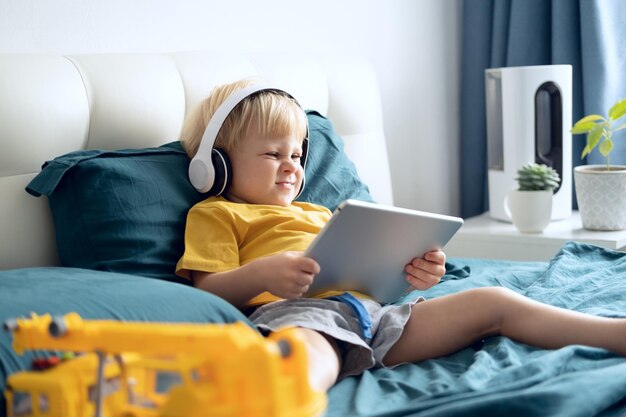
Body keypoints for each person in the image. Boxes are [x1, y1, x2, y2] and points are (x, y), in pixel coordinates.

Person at [176, 79, 626, 392]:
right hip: (301, 317)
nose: (292, 165)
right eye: (273, 153)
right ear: (216, 164)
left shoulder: (317, 211)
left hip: (373, 316)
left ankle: (611, 334)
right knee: (313, 350)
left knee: (492, 302)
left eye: (296, 153)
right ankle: (284, 398)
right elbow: (207, 289)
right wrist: (262, 274)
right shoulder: (217, 212)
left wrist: (414, 272)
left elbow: (370, 273)